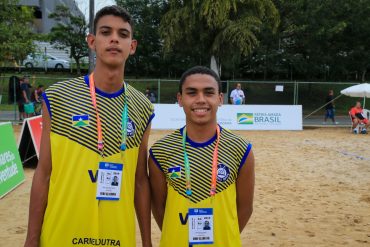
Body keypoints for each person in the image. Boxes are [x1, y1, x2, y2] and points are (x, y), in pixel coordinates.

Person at [24, 6, 154, 247]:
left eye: (123, 34)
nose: (114, 38)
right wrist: (31, 239)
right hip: (61, 234)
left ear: (132, 46)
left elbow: (140, 181)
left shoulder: (143, 107)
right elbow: (43, 173)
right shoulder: (58, 97)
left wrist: (147, 242)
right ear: (92, 41)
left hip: (118, 236)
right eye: (106, 32)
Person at [149, 66, 255, 247]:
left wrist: (224, 236)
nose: (200, 100)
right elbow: (159, 210)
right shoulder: (161, 151)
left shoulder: (240, 148)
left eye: (208, 93)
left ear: (220, 99)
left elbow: (245, 209)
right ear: (180, 99)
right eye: (192, 93)